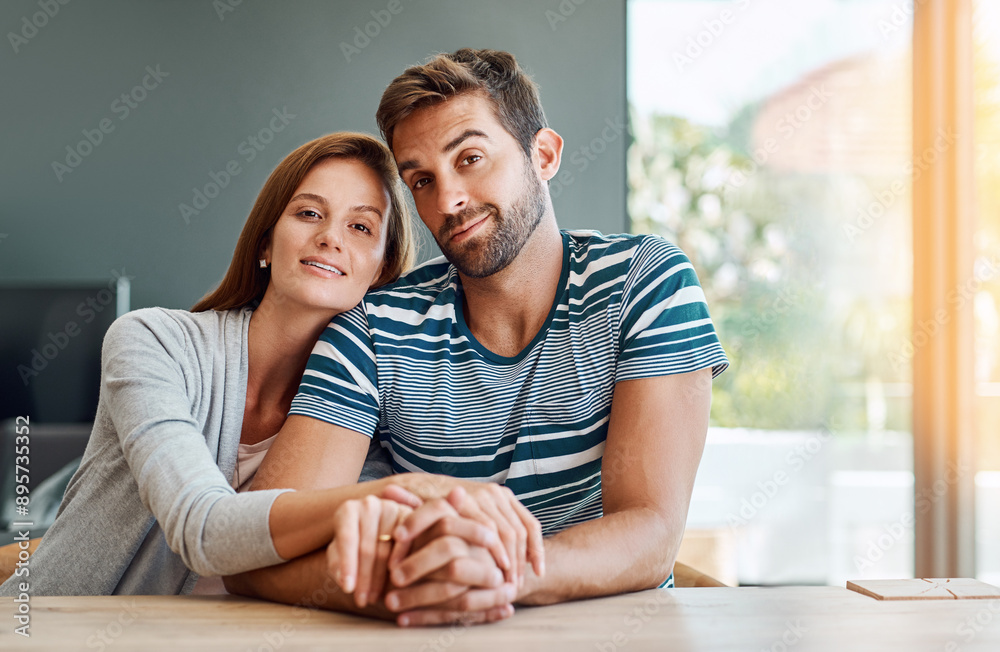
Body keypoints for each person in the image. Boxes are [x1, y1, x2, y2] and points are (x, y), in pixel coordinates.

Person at [230, 48, 729, 620]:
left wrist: (499, 573)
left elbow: (652, 530)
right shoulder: (371, 327)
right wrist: (415, 584)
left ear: (542, 155)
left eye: (469, 158)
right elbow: (253, 550)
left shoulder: (646, 282)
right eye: (421, 179)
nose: (448, 200)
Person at [0, 133, 516, 624]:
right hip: (57, 631)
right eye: (309, 213)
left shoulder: (376, 416)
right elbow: (202, 530)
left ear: (380, 272)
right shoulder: (152, 341)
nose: (329, 237)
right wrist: (406, 493)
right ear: (265, 244)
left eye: (361, 227)